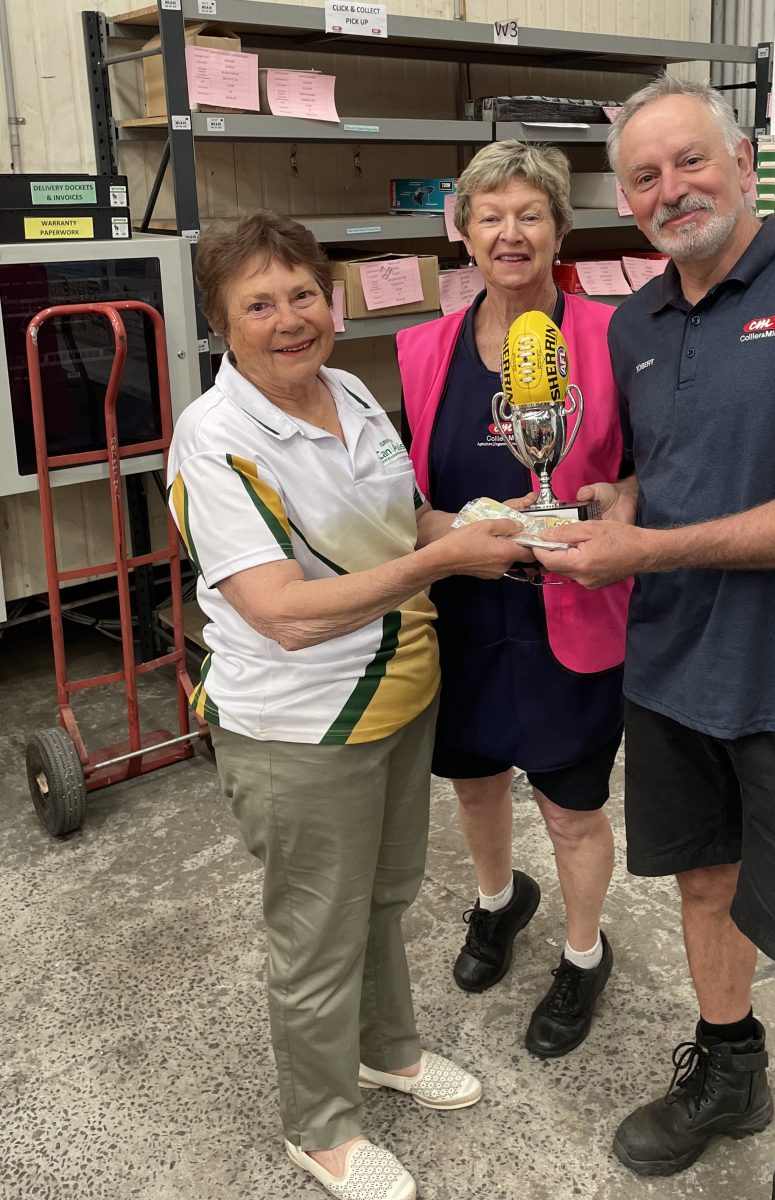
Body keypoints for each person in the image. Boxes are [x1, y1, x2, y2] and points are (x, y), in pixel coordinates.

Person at [532, 77, 775, 1200]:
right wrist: (623, 501)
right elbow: (684, 468)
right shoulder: (638, 323)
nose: (670, 190)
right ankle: (728, 1075)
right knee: (705, 890)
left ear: (745, 161)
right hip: (674, 680)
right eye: (645, 176)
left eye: (690, 162)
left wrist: (645, 553)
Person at [167, 211, 526, 1200]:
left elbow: (400, 520)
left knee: (383, 898)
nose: (289, 320)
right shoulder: (218, 438)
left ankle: (388, 1052)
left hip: (401, 697)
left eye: (302, 295)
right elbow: (279, 613)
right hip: (301, 726)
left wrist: (489, 523)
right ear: (222, 323)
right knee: (316, 932)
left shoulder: (353, 391)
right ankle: (319, 1127)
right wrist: (445, 559)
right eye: (259, 304)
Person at [396, 141, 632, 1058]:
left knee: (571, 805)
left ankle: (582, 955)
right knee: (476, 780)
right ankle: (498, 904)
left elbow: (643, 477)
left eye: (530, 214)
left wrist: (618, 508)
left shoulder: (613, 338)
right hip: (462, 609)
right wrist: (449, 534)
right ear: (463, 231)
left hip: (569, 610)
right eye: (490, 215)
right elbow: (402, 499)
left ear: (560, 229)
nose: (509, 233)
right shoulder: (422, 350)